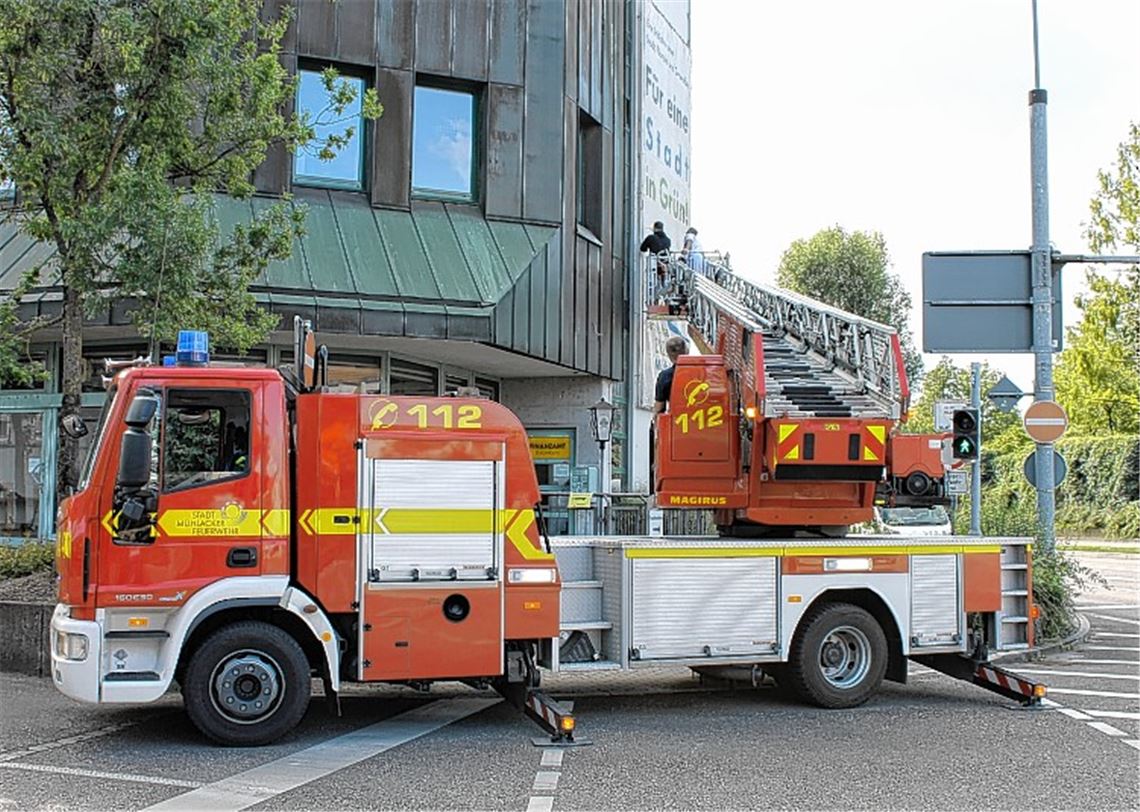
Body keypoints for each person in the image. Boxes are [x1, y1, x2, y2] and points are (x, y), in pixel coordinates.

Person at [653, 336, 688, 414]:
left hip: (678, 421)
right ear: (686, 351)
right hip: (707, 420)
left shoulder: (665, 376)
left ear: (669, 356)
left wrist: (654, 420)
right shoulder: (702, 372)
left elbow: (659, 407)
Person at [640, 221, 671, 292]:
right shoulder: (668, 240)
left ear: (654, 228)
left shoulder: (651, 238)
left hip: (654, 265)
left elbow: (642, 248)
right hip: (664, 265)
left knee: (652, 282)